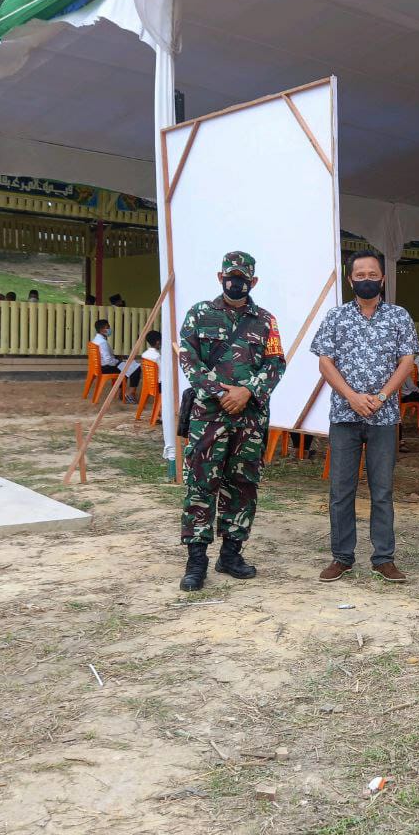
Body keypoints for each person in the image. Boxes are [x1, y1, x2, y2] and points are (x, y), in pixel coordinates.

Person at [177, 251, 285, 591]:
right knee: (201, 482)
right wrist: (218, 391)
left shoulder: (266, 321)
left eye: (242, 278)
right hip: (208, 414)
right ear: (220, 277)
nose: (235, 282)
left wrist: (247, 392)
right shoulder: (200, 314)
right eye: (230, 276)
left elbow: (275, 363)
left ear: (253, 282)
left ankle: (231, 554)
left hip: (249, 417)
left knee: (243, 483)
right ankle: (196, 561)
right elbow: (187, 356)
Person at [311, 250, 418, 584]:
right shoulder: (336, 317)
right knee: (341, 490)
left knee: (382, 491)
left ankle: (383, 558)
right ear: (350, 279)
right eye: (361, 275)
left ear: (383, 279)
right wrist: (352, 397)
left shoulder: (400, 316)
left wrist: (383, 396)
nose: (367, 280)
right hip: (345, 415)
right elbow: (325, 362)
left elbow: (407, 361)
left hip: (384, 418)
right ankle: (342, 557)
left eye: (373, 274)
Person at [91, 318, 140, 400]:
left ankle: (122, 392)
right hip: (106, 368)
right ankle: (130, 393)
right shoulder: (103, 342)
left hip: (101, 366)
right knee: (136, 368)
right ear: (102, 330)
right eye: (107, 327)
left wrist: (117, 358)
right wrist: (118, 361)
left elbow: (105, 356)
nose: (109, 329)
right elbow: (108, 361)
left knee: (127, 366)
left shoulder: (95, 340)